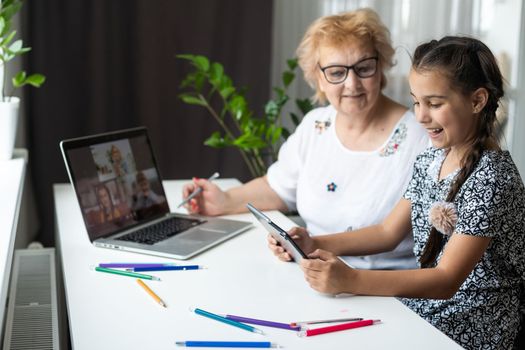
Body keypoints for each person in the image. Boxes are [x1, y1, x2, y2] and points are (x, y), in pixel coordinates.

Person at [269, 36, 525, 349]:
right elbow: (388, 232)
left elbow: (446, 280)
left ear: (477, 101)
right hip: (430, 307)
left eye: (434, 103)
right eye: (416, 102)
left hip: (476, 324)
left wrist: (352, 280)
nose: (420, 116)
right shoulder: (432, 157)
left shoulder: (492, 178)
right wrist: (313, 242)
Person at [182, 9, 429, 270]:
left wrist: (311, 243)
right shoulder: (315, 125)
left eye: (364, 68)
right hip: (314, 272)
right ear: (319, 78)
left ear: (381, 68)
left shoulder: (419, 136)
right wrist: (224, 200)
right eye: (336, 72)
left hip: (384, 290)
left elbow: (392, 235)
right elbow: (277, 187)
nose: (352, 84)